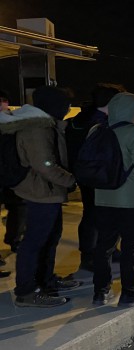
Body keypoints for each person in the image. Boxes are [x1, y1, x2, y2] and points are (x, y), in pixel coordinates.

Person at [3, 86, 81, 307]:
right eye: (65, 104)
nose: (67, 108)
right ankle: (26, 292)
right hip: (40, 191)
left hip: (47, 191)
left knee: (49, 239)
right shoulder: (37, 127)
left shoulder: (45, 124)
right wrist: (70, 181)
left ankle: (46, 281)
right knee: (34, 243)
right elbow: (44, 164)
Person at [92, 92, 134, 307]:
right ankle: (130, 292)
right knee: (131, 246)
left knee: (104, 246)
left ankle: (101, 292)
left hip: (103, 196)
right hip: (131, 199)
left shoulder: (97, 130)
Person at [66, 83, 125, 272]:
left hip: (86, 173)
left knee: (94, 214)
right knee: (94, 215)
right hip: (97, 174)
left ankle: (102, 249)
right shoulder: (100, 122)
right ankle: (90, 255)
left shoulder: (80, 118)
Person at [0, 88, 26, 255]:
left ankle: (14, 240)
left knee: (18, 210)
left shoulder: (17, 122)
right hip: (10, 172)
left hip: (13, 174)